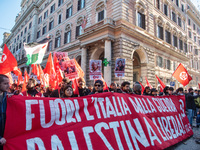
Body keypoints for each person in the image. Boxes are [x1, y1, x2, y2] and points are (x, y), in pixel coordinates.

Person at [0, 74, 10, 149]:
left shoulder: (8, 97)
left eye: (8, 83)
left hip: (5, 138)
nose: (8, 86)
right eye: (5, 83)